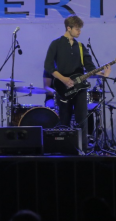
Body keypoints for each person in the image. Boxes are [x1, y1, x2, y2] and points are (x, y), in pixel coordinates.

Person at [44, 15, 110, 150]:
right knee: (64, 120)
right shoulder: (56, 44)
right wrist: (63, 79)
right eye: (77, 29)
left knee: (82, 119)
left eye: (80, 29)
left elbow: (90, 67)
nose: (79, 31)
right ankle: (63, 149)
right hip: (62, 87)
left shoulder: (80, 46)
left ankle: (82, 149)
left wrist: (103, 73)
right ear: (68, 28)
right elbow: (48, 66)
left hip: (80, 88)